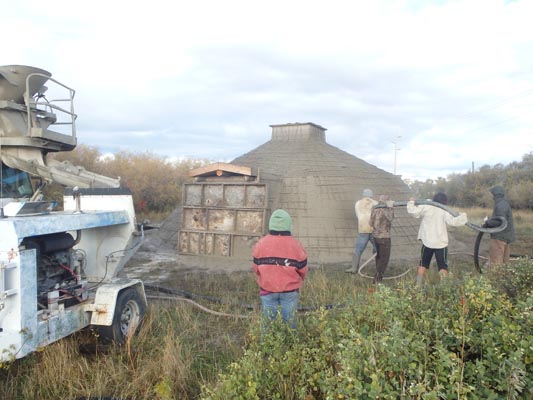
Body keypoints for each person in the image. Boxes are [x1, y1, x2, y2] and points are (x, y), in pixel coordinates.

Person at [252, 209, 308, 330]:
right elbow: (303, 269)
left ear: (271, 224)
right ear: (289, 225)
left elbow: (256, 268)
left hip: (267, 290)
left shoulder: (260, 244)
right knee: (290, 322)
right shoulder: (296, 245)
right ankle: (291, 345)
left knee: (267, 322)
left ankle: (266, 344)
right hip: (290, 292)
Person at [407, 192, 467, 285]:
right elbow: (454, 221)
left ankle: (417, 286)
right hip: (440, 243)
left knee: (423, 264)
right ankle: (444, 288)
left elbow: (413, 211)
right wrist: (463, 216)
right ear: (445, 201)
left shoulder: (426, 206)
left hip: (427, 242)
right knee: (442, 267)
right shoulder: (444, 210)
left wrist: (411, 202)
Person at [345, 188, 378, 273]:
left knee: (358, 249)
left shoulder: (358, 203)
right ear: (371, 195)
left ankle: (354, 268)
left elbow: (358, 215)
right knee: (378, 249)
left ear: (363, 194)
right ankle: (379, 269)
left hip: (363, 229)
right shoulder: (376, 203)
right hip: (374, 229)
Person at [484, 185, 515, 268]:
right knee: (504, 263)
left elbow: (499, 221)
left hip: (499, 238)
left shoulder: (501, 205)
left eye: (493, 195)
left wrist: (487, 223)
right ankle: (502, 280)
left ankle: (495, 280)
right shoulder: (503, 203)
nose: (492, 197)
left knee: (495, 263)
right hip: (505, 237)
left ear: (496, 195)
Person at [369, 195, 395, 283]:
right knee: (384, 259)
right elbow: (390, 218)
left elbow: (370, 223)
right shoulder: (386, 209)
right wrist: (391, 207)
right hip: (385, 237)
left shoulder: (375, 208)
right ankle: (377, 280)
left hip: (375, 237)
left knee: (378, 258)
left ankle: (378, 276)